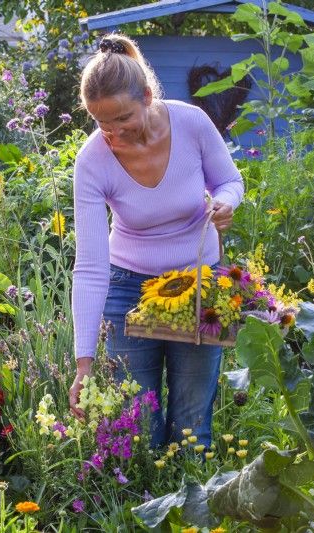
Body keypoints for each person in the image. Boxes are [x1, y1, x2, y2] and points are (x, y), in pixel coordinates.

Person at [68, 33, 244, 448]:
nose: (111, 132)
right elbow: (91, 267)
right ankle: (143, 509)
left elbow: (229, 180)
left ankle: (192, 509)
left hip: (200, 283)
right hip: (129, 288)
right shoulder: (91, 162)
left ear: (147, 96)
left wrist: (224, 202)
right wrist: (84, 362)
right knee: (139, 424)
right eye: (100, 122)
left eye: (121, 118)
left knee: (191, 421)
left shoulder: (192, 123)